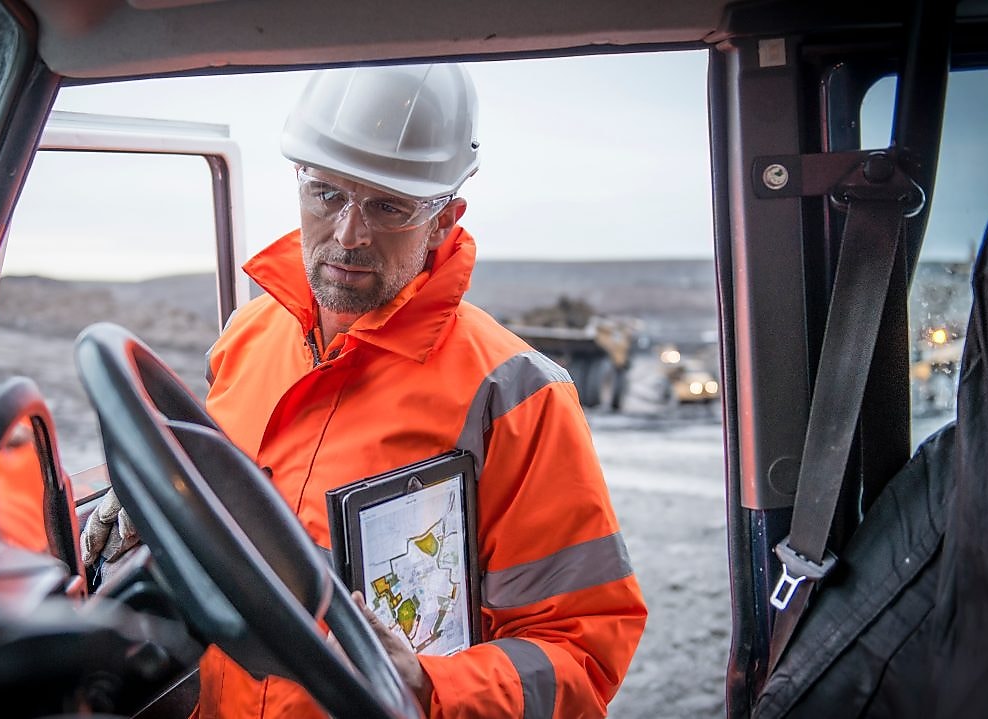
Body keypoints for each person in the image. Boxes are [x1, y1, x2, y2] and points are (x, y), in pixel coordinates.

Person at [84, 63, 646, 718]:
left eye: (388, 206)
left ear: (444, 220)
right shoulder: (247, 336)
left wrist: (427, 683)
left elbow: (582, 657)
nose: (348, 234)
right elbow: (237, 526)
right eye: (326, 193)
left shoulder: (516, 394)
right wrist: (165, 502)